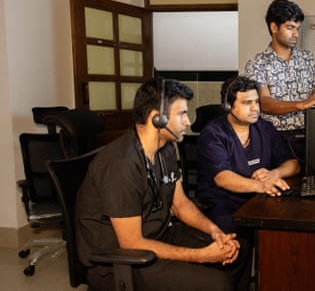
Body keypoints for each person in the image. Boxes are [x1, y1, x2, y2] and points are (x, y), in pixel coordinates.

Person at [75, 77, 251, 291]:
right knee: (217, 283)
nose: (188, 121)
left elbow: (180, 204)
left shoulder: (165, 148)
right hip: (120, 262)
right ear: (157, 119)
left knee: (239, 249)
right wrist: (202, 255)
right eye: (182, 114)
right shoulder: (122, 165)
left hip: (158, 235)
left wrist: (215, 232)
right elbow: (132, 244)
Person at [196, 76, 300, 236]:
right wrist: (262, 186)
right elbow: (222, 178)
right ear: (228, 106)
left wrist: (275, 173)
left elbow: (293, 164)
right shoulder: (213, 133)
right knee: (236, 236)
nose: (255, 108)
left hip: (257, 200)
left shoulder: (264, 128)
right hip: (223, 203)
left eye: (256, 102)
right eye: (247, 103)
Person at [244, 0, 315, 163]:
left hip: (310, 136)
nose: (296, 34)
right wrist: (301, 104)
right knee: (281, 186)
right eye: (290, 27)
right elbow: (264, 102)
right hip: (275, 139)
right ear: (274, 27)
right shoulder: (257, 64)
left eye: (298, 28)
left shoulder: (308, 58)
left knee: (313, 185)